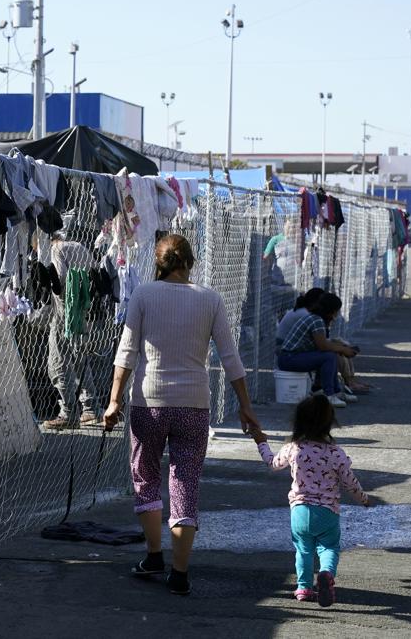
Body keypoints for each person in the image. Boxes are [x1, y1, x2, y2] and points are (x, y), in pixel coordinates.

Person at [102, 234, 259, 595]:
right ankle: (180, 572)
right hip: (194, 404)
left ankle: (154, 554)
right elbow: (231, 357)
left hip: (149, 403)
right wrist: (246, 407)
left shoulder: (143, 295)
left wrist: (114, 401)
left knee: (145, 476)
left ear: (158, 263)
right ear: (191, 262)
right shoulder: (210, 299)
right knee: (185, 483)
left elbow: (126, 353)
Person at [249, 395, 372, 607]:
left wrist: (261, 441)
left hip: (299, 511)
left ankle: (304, 587)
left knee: (303, 549)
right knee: (329, 547)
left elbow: (272, 462)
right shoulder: (336, 453)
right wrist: (364, 499)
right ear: (329, 422)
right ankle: (326, 574)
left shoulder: (293, 448)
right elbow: (350, 482)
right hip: (326, 512)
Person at [44, 233, 99, 430]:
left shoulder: (56, 249)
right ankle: (91, 407)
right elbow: (95, 269)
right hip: (84, 307)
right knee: (79, 357)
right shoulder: (78, 245)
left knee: (57, 360)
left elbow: (61, 277)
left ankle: (68, 412)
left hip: (65, 310)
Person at [276, 293, 357, 408]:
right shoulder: (316, 320)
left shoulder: (315, 318)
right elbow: (323, 346)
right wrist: (343, 349)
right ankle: (329, 395)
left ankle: (336, 392)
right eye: (337, 311)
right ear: (331, 310)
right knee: (328, 356)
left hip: (292, 357)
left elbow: (323, 343)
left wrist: (340, 348)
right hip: (289, 358)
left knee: (330, 354)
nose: (337, 314)